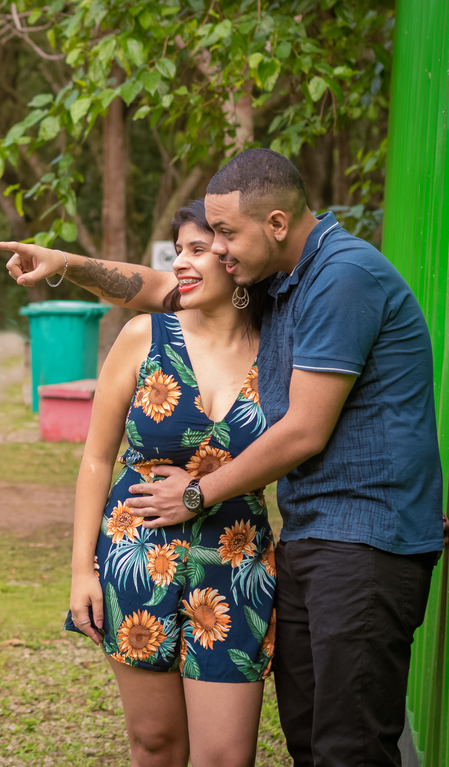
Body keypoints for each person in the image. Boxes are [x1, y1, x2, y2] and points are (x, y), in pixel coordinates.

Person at [0, 148, 445, 767]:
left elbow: (305, 431)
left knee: (334, 747)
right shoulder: (278, 289)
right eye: (199, 243)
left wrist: (195, 493)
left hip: (325, 544)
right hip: (264, 543)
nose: (211, 252)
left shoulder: (326, 286)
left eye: (221, 238)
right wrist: (64, 262)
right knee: (308, 737)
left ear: (274, 226)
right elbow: (154, 286)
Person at [64, 199, 275, 767]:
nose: (180, 261)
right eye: (178, 249)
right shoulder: (144, 336)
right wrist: (82, 570)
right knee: (155, 744)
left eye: (197, 250)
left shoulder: (280, 348)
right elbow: (96, 458)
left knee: (226, 756)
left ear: (234, 261)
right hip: (137, 554)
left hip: (235, 563)